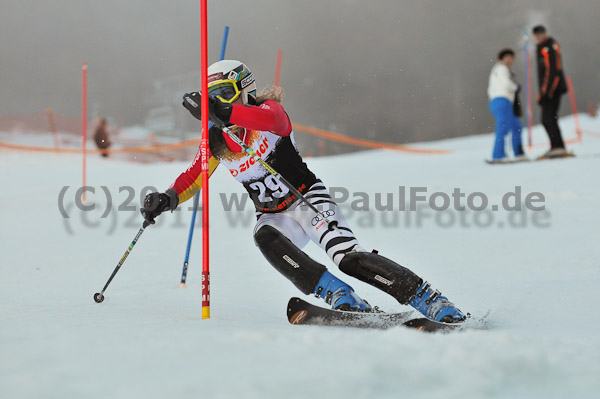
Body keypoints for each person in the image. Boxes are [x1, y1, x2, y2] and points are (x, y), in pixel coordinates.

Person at [140, 60, 466, 323]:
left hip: (308, 201)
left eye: (225, 93)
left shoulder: (268, 112)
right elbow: (193, 177)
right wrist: (166, 198)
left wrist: (222, 111)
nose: (218, 104)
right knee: (265, 237)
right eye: (212, 98)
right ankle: (340, 295)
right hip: (274, 216)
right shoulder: (216, 141)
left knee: (347, 258)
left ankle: (429, 298)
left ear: (244, 90)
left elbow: (270, 119)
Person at [532, 25, 571, 159]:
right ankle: (556, 146)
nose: (538, 37)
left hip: (553, 89)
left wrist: (546, 91)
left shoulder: (550, 46)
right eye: (536, 35)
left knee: (548, 118)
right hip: (547, 89)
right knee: (548, 118)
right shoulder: (541, 48)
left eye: (540, 34)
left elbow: (553, 70)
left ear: (545, 34)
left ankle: (558, 147)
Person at [487, 48, 525, 163]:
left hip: (503, 101)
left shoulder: (501, 69)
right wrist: (516, 87)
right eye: (508, 57)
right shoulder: (501, 68)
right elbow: (506, 83)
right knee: (503, 127)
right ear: (503, 58)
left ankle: (519, 153)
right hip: (501, 99)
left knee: (516, 126)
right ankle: (498, 155)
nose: (510, 59)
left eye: (511, 57)